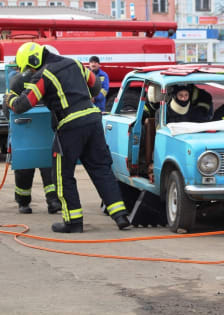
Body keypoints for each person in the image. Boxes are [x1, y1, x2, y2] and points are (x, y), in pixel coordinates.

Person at [4, 42, 130, 233]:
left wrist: (9, 98)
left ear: (34, 60)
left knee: (62, 175)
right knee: (101, 169)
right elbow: (95, 86)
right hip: (93, 120)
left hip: (70, 127)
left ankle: (73, 221)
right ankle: (120, 215)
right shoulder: (75, 63)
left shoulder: (43, 75)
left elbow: (23, 105)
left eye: (29, 67)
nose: (29, 71)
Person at [3, 63, 62, 215]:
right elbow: (8, 106)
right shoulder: (20, 81)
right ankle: (25, 201)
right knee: (29, 168)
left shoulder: (41, 78)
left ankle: (51, 201)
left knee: (46, 166)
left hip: (33, 130)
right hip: (31, 131)